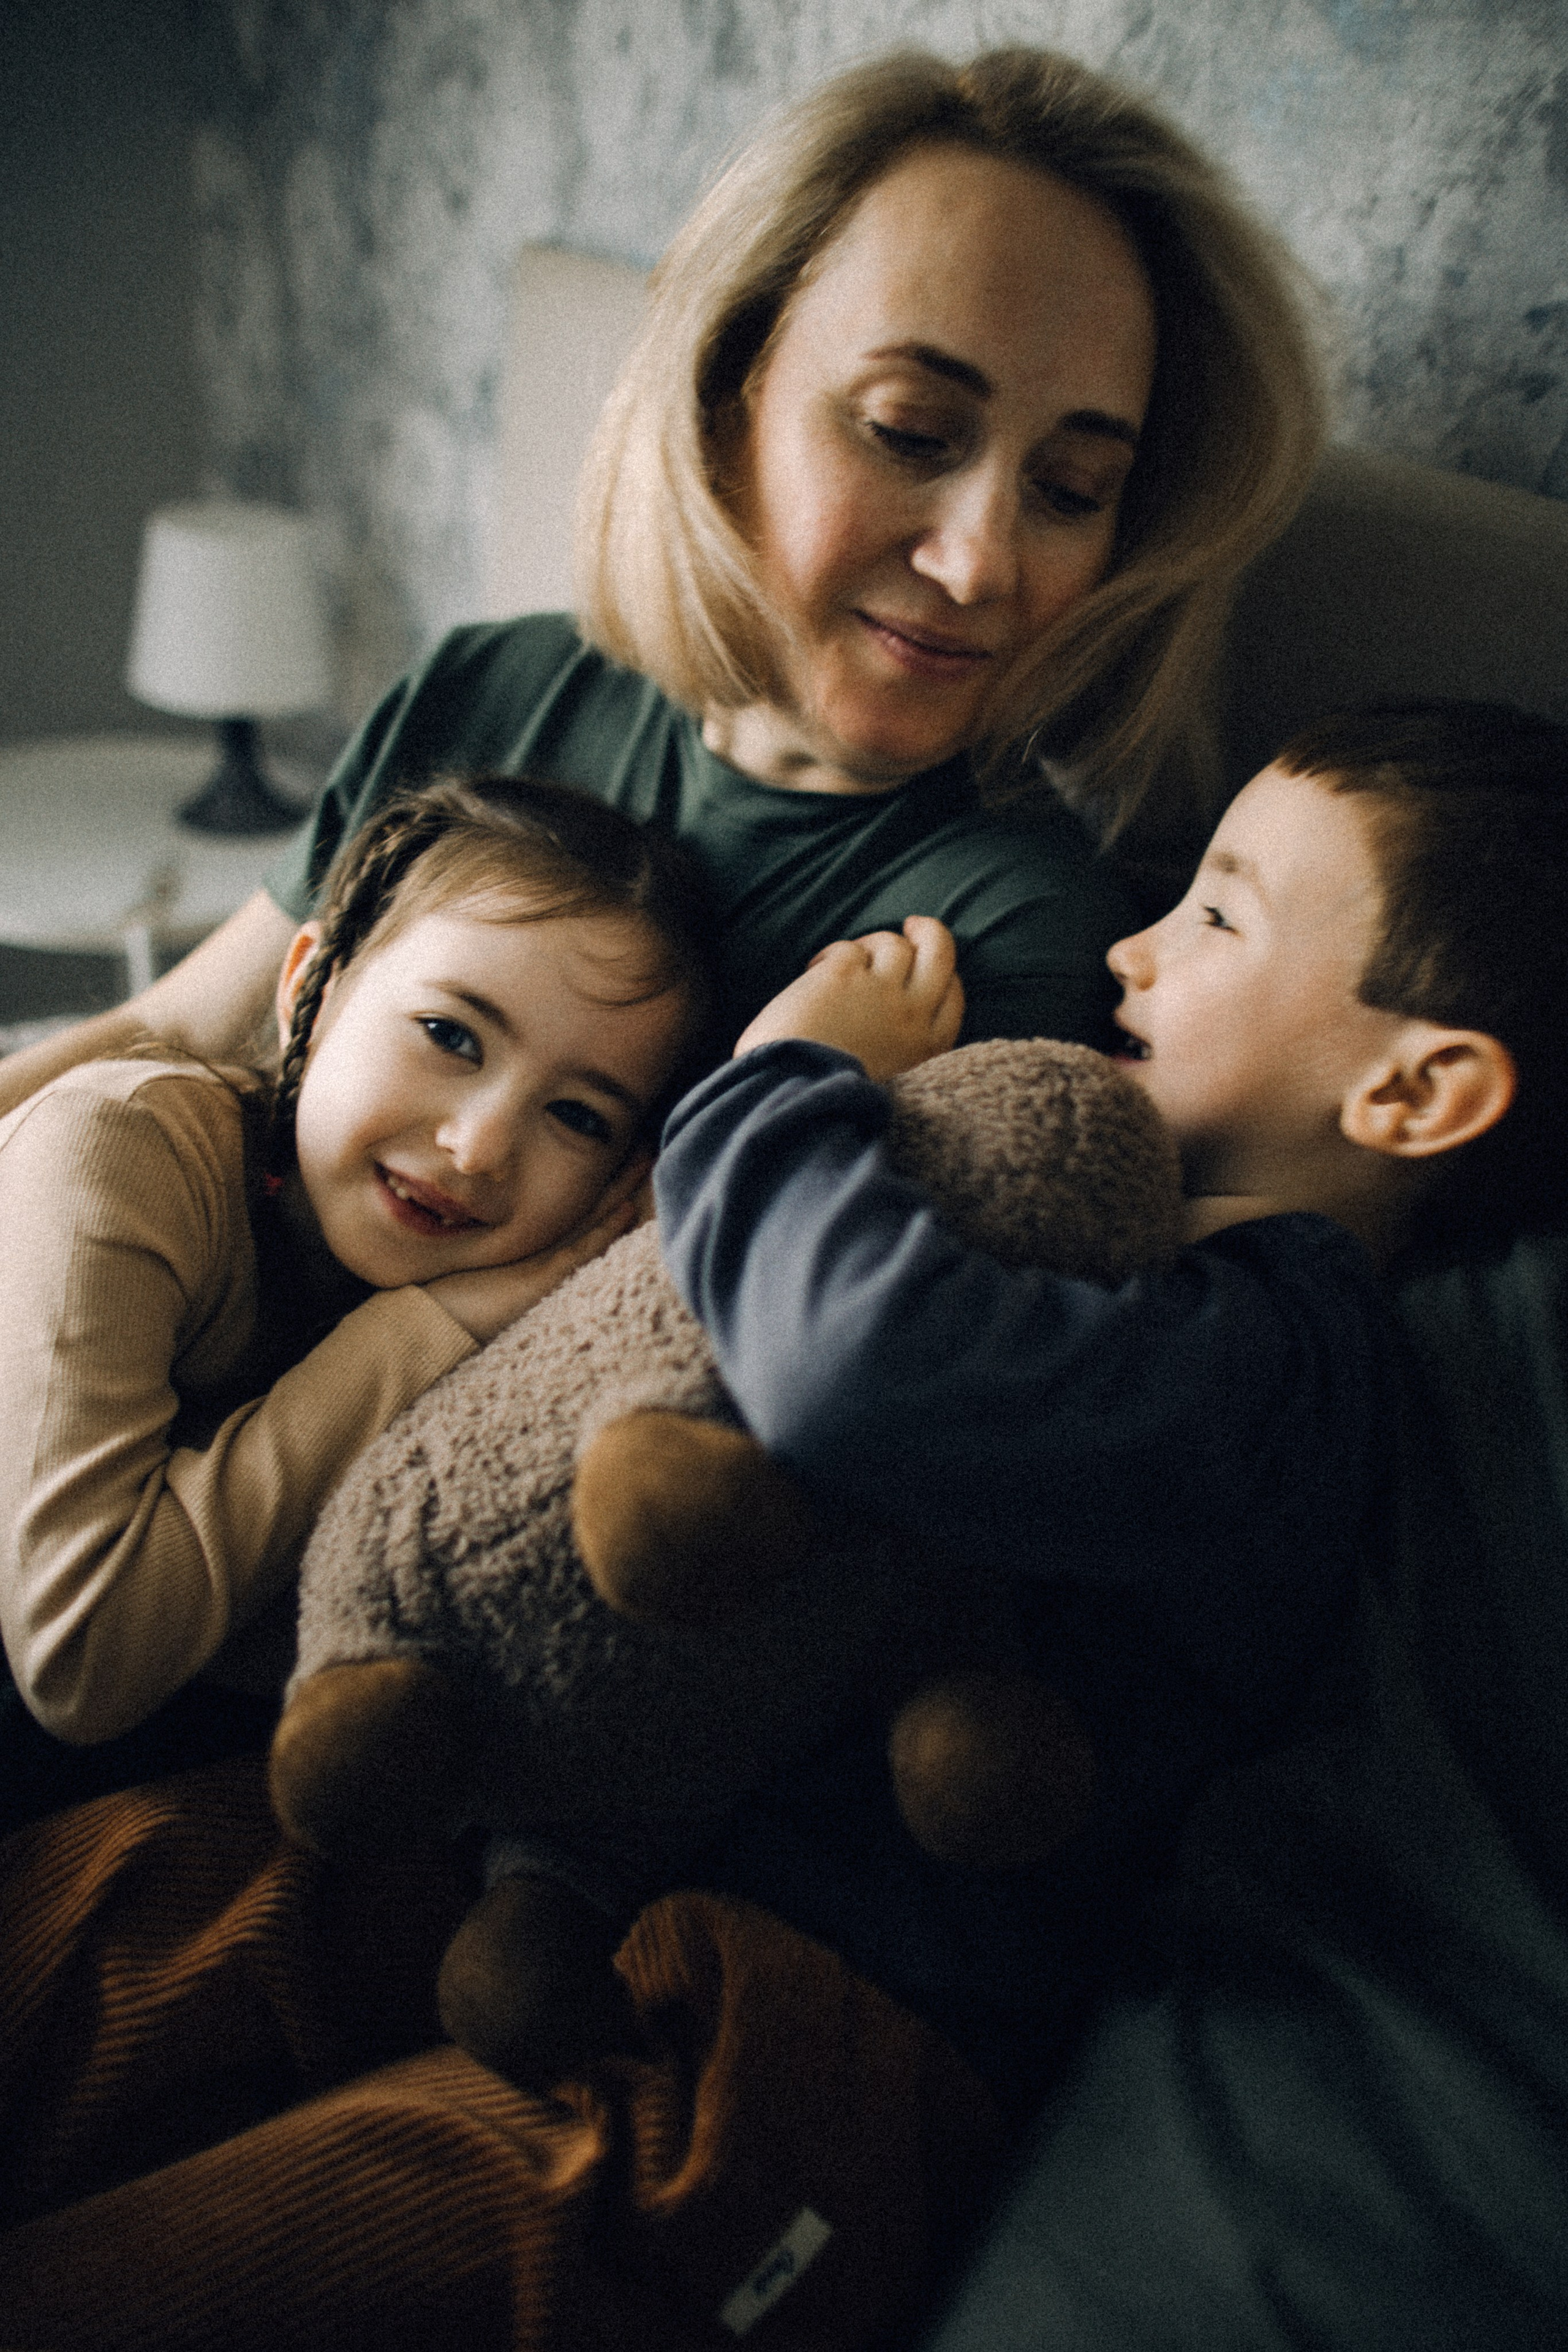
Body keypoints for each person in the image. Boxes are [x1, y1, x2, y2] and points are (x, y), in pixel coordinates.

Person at [0, 43, 1325, 1138]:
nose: (979, 563)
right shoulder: (491, 687)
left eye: (1072, 490)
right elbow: (174, 1030)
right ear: (725, 398)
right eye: (911, 432)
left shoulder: (1010, 931)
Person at [654, 701, 1567, 2081]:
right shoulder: (1162, 1280)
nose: (1125, 948)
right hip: (648, 1898)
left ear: (1412, 1091)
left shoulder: (1273, 1375)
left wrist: (788, 1080)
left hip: (819, 2036)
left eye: (1215, 918)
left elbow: (849, 1367)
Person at [0, 774, 710, 1834]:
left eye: (575, 1115)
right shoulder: (118, 1150)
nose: (477, 1147)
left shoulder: (536, 1286)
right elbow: (84, 1662)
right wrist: (429, 1330)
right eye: (452, 1035)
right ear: (309, 990)